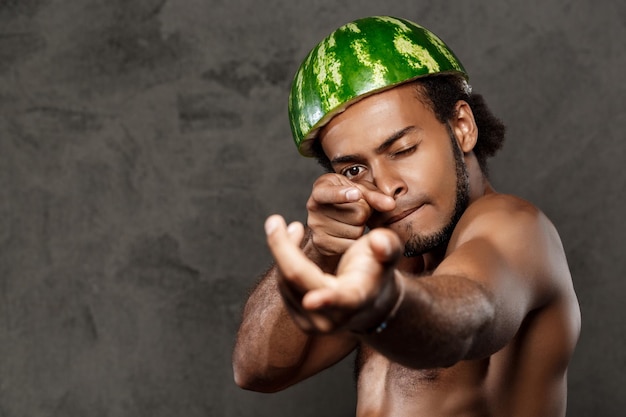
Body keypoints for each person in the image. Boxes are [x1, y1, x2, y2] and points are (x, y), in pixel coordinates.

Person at [232, 16, 581, 416]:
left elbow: (472, 315)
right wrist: (318, 249)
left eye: (402, 150)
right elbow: (255, 371)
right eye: (354, 170)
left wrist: (385, 303)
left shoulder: (515, 227)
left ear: (462, 127)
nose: (385, 186)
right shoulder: (389, 259)